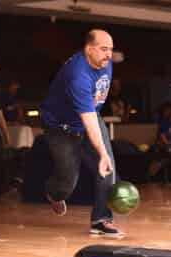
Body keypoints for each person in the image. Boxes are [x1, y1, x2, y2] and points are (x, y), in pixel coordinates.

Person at [40, 29, 122, 237]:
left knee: (107, 170)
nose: (108, 55)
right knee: (67, 182)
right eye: (104, 49)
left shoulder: (105, 61)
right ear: (88, 49)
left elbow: (91, 118)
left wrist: (104, 157)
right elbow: (88, 120)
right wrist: (102, 153)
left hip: (91, 118)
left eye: (111, 50)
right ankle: (54, 193)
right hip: (61, 129)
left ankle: (101, 220)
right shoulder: (77, 76)